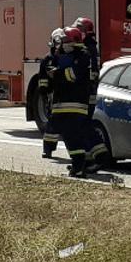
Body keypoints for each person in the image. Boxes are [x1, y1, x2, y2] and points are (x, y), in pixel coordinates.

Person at [48, 26, 106, 176]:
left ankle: (80, 165)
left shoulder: (82, 55)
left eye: (66, 41)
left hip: (75, 104)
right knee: (72, 135)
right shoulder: (65, 54)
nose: (63, 44)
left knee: (72, 134)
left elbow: (73, 75)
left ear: (74, 41)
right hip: (63, 103)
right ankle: (81, 163)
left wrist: (58, 73)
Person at [38, 27, 67, 158]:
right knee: (52, 124)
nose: (58, 47)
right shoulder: (47, 59)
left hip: (66, 94)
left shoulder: (66, 57)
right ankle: (48, 149)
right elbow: (42, 77)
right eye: (56, 43)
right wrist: (44, 93)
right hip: (53, 95)